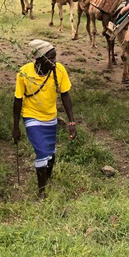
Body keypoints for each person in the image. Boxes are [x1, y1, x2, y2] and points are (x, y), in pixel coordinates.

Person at [12, 39, 77, 199]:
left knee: (51, 154)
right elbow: (18, 100)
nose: (54, 61)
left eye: (55, 57)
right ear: (39, 59)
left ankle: (46, 179)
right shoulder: (24, 73)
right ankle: (42, 192)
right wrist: (15, 126)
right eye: (51, 58)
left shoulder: (59, 70)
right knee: (42, 152)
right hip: (31, 117)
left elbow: (65, 95)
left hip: (50, 117)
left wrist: (71, 122)